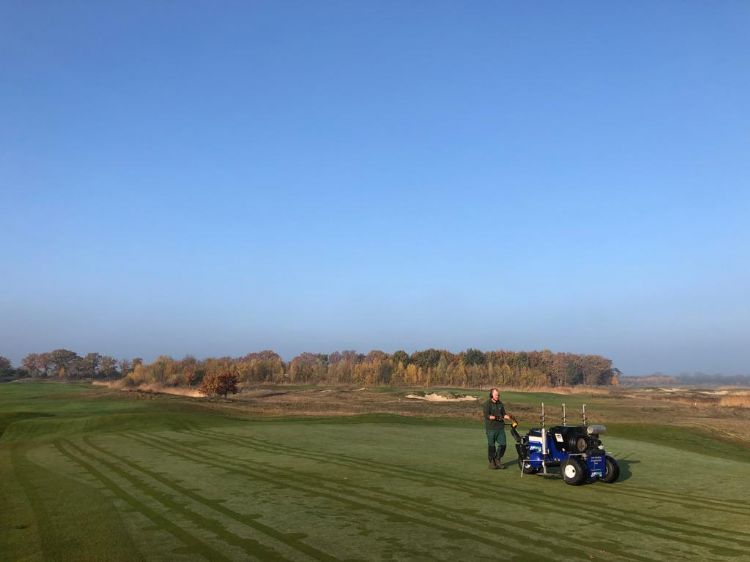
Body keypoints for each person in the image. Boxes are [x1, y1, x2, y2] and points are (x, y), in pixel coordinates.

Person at [483, 388, 511, 469]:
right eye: (496, 395)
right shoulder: (487, 404)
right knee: (491, 446)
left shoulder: (500, 404)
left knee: (503, 444)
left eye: (498, 395)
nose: (497, 396)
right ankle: (492, 462)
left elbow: (504, 414)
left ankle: (497, 459)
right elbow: (487, 416)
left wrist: (508, 417)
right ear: (491, 395)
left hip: (500, 428)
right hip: (491, 428)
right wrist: (497, 417)